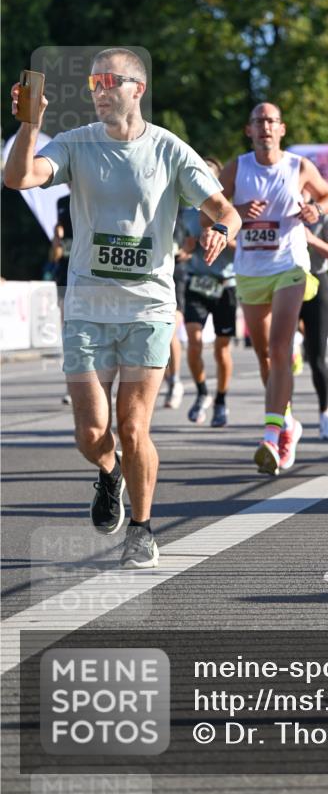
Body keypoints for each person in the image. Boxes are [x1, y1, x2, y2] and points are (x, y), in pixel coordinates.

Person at [5, 48, 240, 569]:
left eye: (110, 81)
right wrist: (30, 124)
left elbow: (224, 208)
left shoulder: (169, 149)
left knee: (134, 428)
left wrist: (222, 228)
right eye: (94, 84)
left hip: (147, 309)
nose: (100, 91)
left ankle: (142, 529)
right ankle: (109, 473)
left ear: (138, 88)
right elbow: (18, 178)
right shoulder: (75, 143)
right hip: (88, 308)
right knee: (92, 434)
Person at [218, 102, 328, 475]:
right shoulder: (237, 168)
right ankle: (288, 423)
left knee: (279, 348)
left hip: (289, 264)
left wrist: (317, 211)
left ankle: (271, 436)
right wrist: (237, 211)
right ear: (249, 130)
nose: (265, 127)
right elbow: (209, 209)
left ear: (282, 129)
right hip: (251, 270)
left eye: (271, 121)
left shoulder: (298, 166)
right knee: (265, 359)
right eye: (258, 121)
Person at [183, 156, 237, 427]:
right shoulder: (187, 214)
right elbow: (179, 249)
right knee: (194, 342)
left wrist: (221, 238)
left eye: (211, 176)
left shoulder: (229, 212)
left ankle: (221, 400)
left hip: (225, 285)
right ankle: (202, 391)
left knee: (221, 349)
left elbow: (244, 251)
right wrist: (188, 247)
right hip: (196, 283)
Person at [300, 210, 328, 439]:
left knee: (317, 358)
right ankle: (282, 419)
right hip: (283, 281)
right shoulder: (279, 202)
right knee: (279, 356)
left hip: (317, 281)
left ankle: (325, 411)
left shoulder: (324, 214)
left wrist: (312, 239)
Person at [163, 205, 190, 409]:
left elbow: (194, 239)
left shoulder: (185, 212)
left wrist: (188, 250)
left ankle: (176, 380)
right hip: (153, 275)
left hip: (177, 275)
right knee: (157, 334)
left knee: (170, 330)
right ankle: (168, 380)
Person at [51, 193, 73, 404]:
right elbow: (55, 254)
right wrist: (56, 237)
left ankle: (104, 383)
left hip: (91, 276)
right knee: (69, 334)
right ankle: (72, 386)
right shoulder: (62, 202)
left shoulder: (96, 192)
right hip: (65, 277)